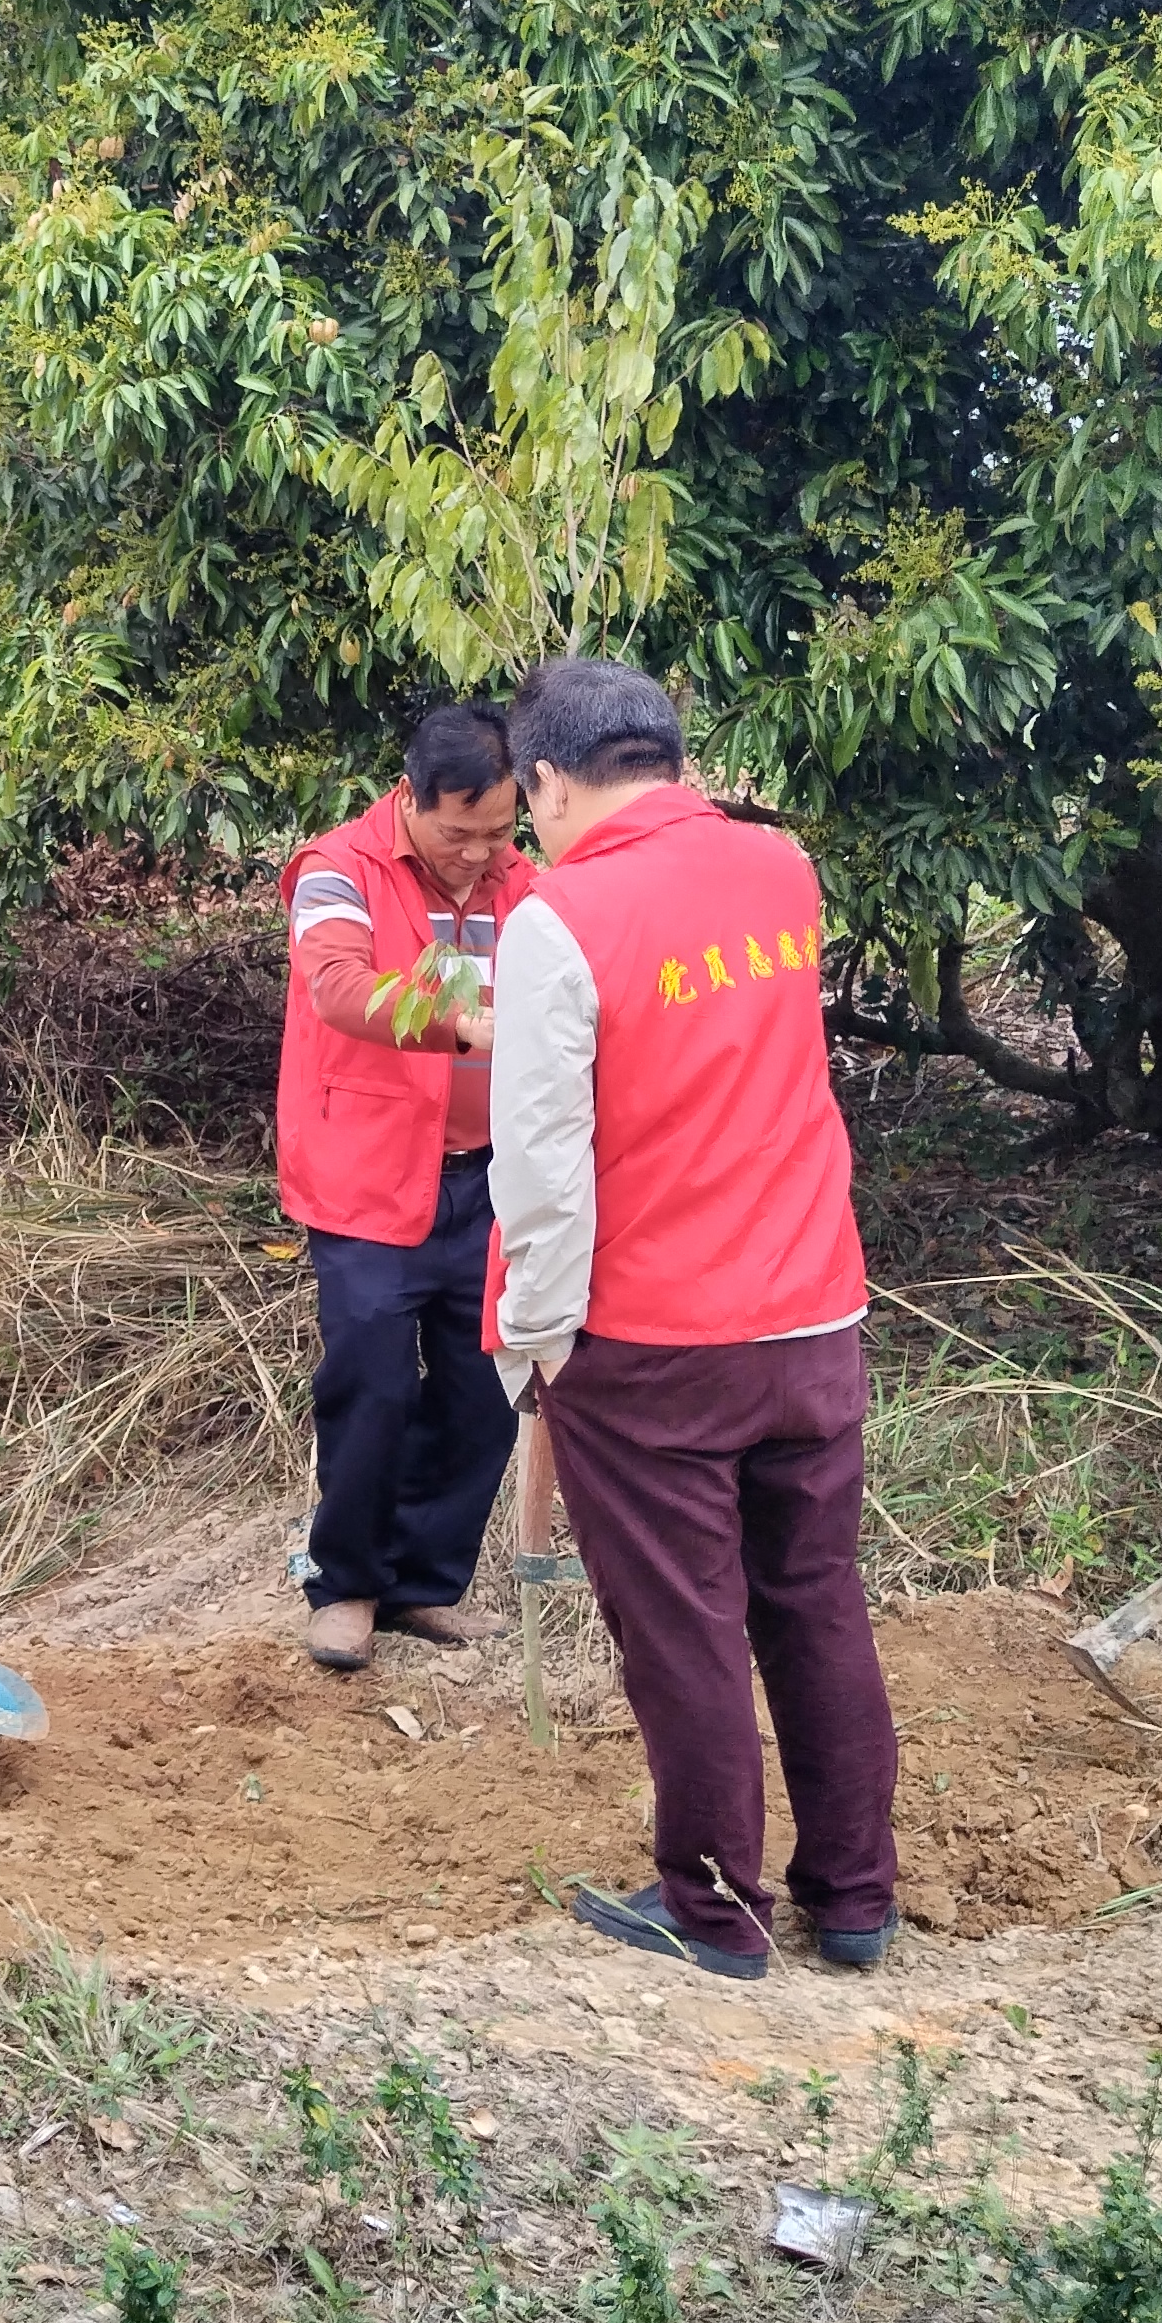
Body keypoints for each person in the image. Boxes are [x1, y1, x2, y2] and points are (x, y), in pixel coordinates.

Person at [487, 658, 894, 1980]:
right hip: (813, 1316)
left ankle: (716, 1909)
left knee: (684, 1626)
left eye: (525, 799)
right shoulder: (782, 871)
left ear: (545, 779)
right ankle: (854, 1900)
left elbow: (544, 1164)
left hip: (659, 1341)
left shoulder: (563, 917)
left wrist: (532, 1343)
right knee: (816, 1602)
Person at [275, 702, 544, 1670]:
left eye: (499, 832)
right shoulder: (337, 869)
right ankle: (345, 1584)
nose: (479, 853)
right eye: (456, 832)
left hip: (495, 1182)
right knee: (372, 1386)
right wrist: (462, 1022)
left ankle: (425, 1585)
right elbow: (336, 986)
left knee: (482, 1391)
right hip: (368, 1181)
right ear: (410, 798)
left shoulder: (529, 882)